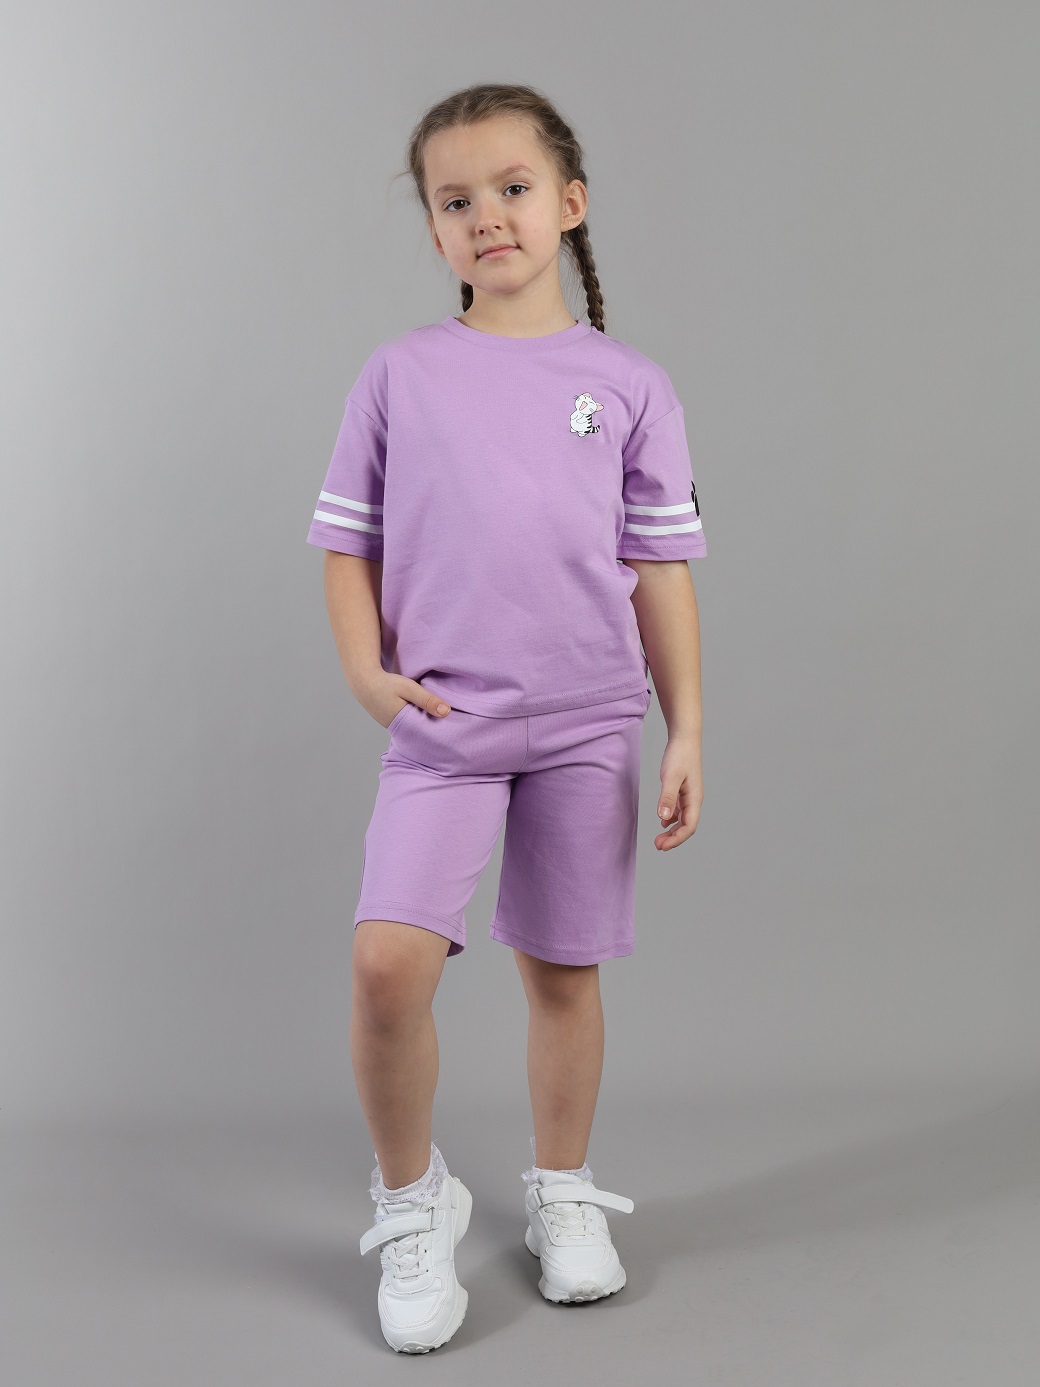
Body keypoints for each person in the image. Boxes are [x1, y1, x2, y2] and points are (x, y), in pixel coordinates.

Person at [306, 82, 706, 1354]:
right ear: (434, 228)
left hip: (589, 724)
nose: (486, 215)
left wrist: (686, 728)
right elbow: (347, 541)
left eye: (513, 188)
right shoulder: (398, 375)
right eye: (455, 199)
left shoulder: (628, 384)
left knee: (561, 969)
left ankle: (562, 1189)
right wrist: (366, 673)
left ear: (569, 203)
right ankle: (410, 1199)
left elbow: (659, 567)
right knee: (388, 967)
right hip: (443, 724)